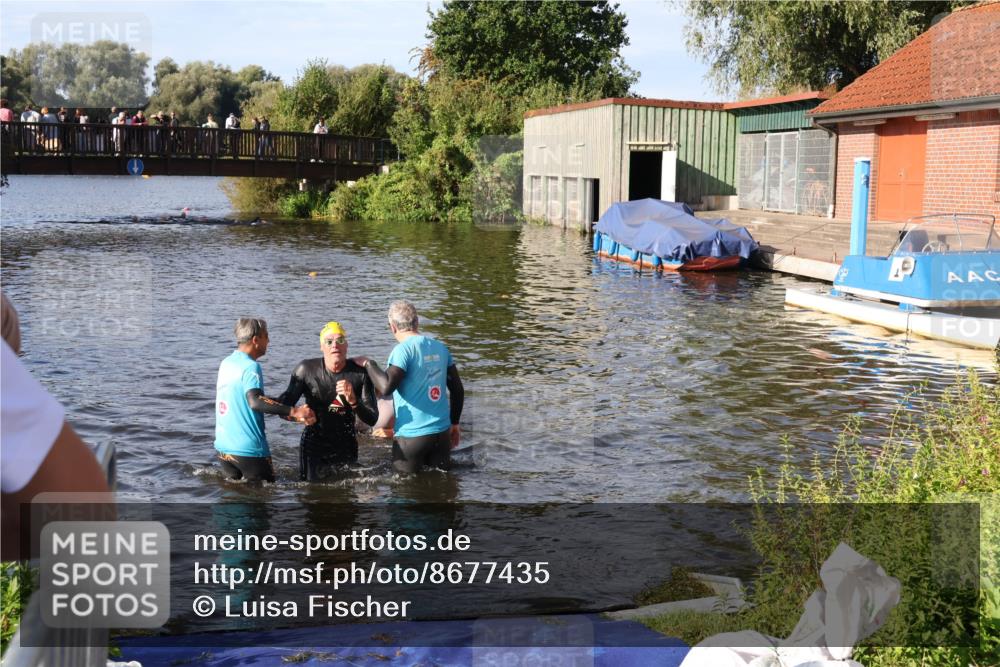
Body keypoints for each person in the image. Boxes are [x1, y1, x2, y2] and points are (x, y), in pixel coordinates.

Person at [363, 301, 464, 473]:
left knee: (402, 491)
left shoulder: (402, 351)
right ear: (417, 322)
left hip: (412, 437)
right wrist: (454, 424)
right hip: (441, 434)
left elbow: (386, 387)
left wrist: (368, 364)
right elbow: (457, 390)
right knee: (441, 491)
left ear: (392, 327)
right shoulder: (440, 348)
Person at [215, 318, 315, 483]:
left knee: (234, 500)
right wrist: (294, 411)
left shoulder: (226, 363)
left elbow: (244, 399)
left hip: (224, 449)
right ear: (255, 340)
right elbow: (255, 401)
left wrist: (280, 406)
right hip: (249, 450)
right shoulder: (251, 367)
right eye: (266, 336)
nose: (268, 340)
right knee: (263, 502)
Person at [280, 321, 379, 481]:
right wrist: (297, 415)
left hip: (346, 444)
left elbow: (372, 418)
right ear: (322, 346)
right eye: (329, 341)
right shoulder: (305, 370)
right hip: (314, 445)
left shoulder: (360, 374)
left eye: (340, 340)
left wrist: (354, 401)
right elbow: (282, 407)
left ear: (346, 345)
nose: (335, 345)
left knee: (348, 498)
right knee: (313, 494)